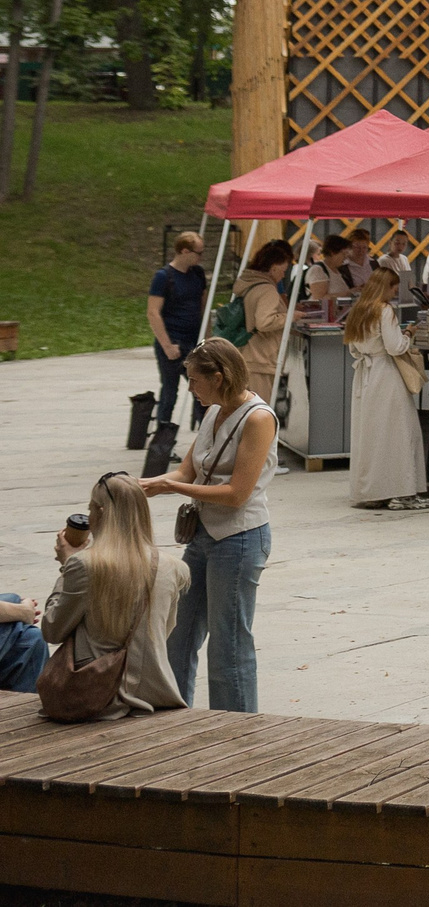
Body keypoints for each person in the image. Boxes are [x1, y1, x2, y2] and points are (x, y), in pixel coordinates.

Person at [140, 336, 276, 711]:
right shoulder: (214, 411)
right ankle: (173, 713)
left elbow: (237, 493)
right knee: (178, 633)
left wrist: (170, 487)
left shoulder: (258, 418)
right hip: (202, 535)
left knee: (228, 645)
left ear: (218, 377)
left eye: (195, 380)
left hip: (240, 537)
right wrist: (147, 484)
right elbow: (188, 469)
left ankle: (236, 726)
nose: (190, 388)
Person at [36, 473, 190, 719]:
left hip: (96, 697)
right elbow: (164, 630)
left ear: (100, 512)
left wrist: (66, 567)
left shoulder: (84, 565)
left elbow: (52, 630)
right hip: (154, 694)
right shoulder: (174, 567)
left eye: (90, 509)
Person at [344, 268, 427, 511]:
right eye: (393, 287)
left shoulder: (358, 310)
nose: (395, 292)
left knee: (371, 435)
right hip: (387, 374)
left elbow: (353, 349)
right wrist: (408, 334)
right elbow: (394, 346)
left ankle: (373, 491)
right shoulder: (384, 310)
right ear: (386, 287)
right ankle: (401, 491)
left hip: (365, 374)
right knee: (398, 433)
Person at [148, 233, 210, 433]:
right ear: (184, 251)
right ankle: (162, 436)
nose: (200, 257)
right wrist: (167, 345)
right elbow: (153, 312)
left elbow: (203, 306)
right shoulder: (164, 277)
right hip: (173, 339)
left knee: (202, 388)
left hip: (194, 340)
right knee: (170, 391)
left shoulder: (197, 274)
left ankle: (207, 434)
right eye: (198, 253)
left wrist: (207, 338)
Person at [229, 239, 293, 407]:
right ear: (274, 268)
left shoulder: (250, 284)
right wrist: (290, 316)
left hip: (247, 355)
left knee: (245, 410)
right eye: (283, 270)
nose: (283, 275)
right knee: (260, 412)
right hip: (261, 359)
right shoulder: (267, 290)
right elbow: (264, 322)